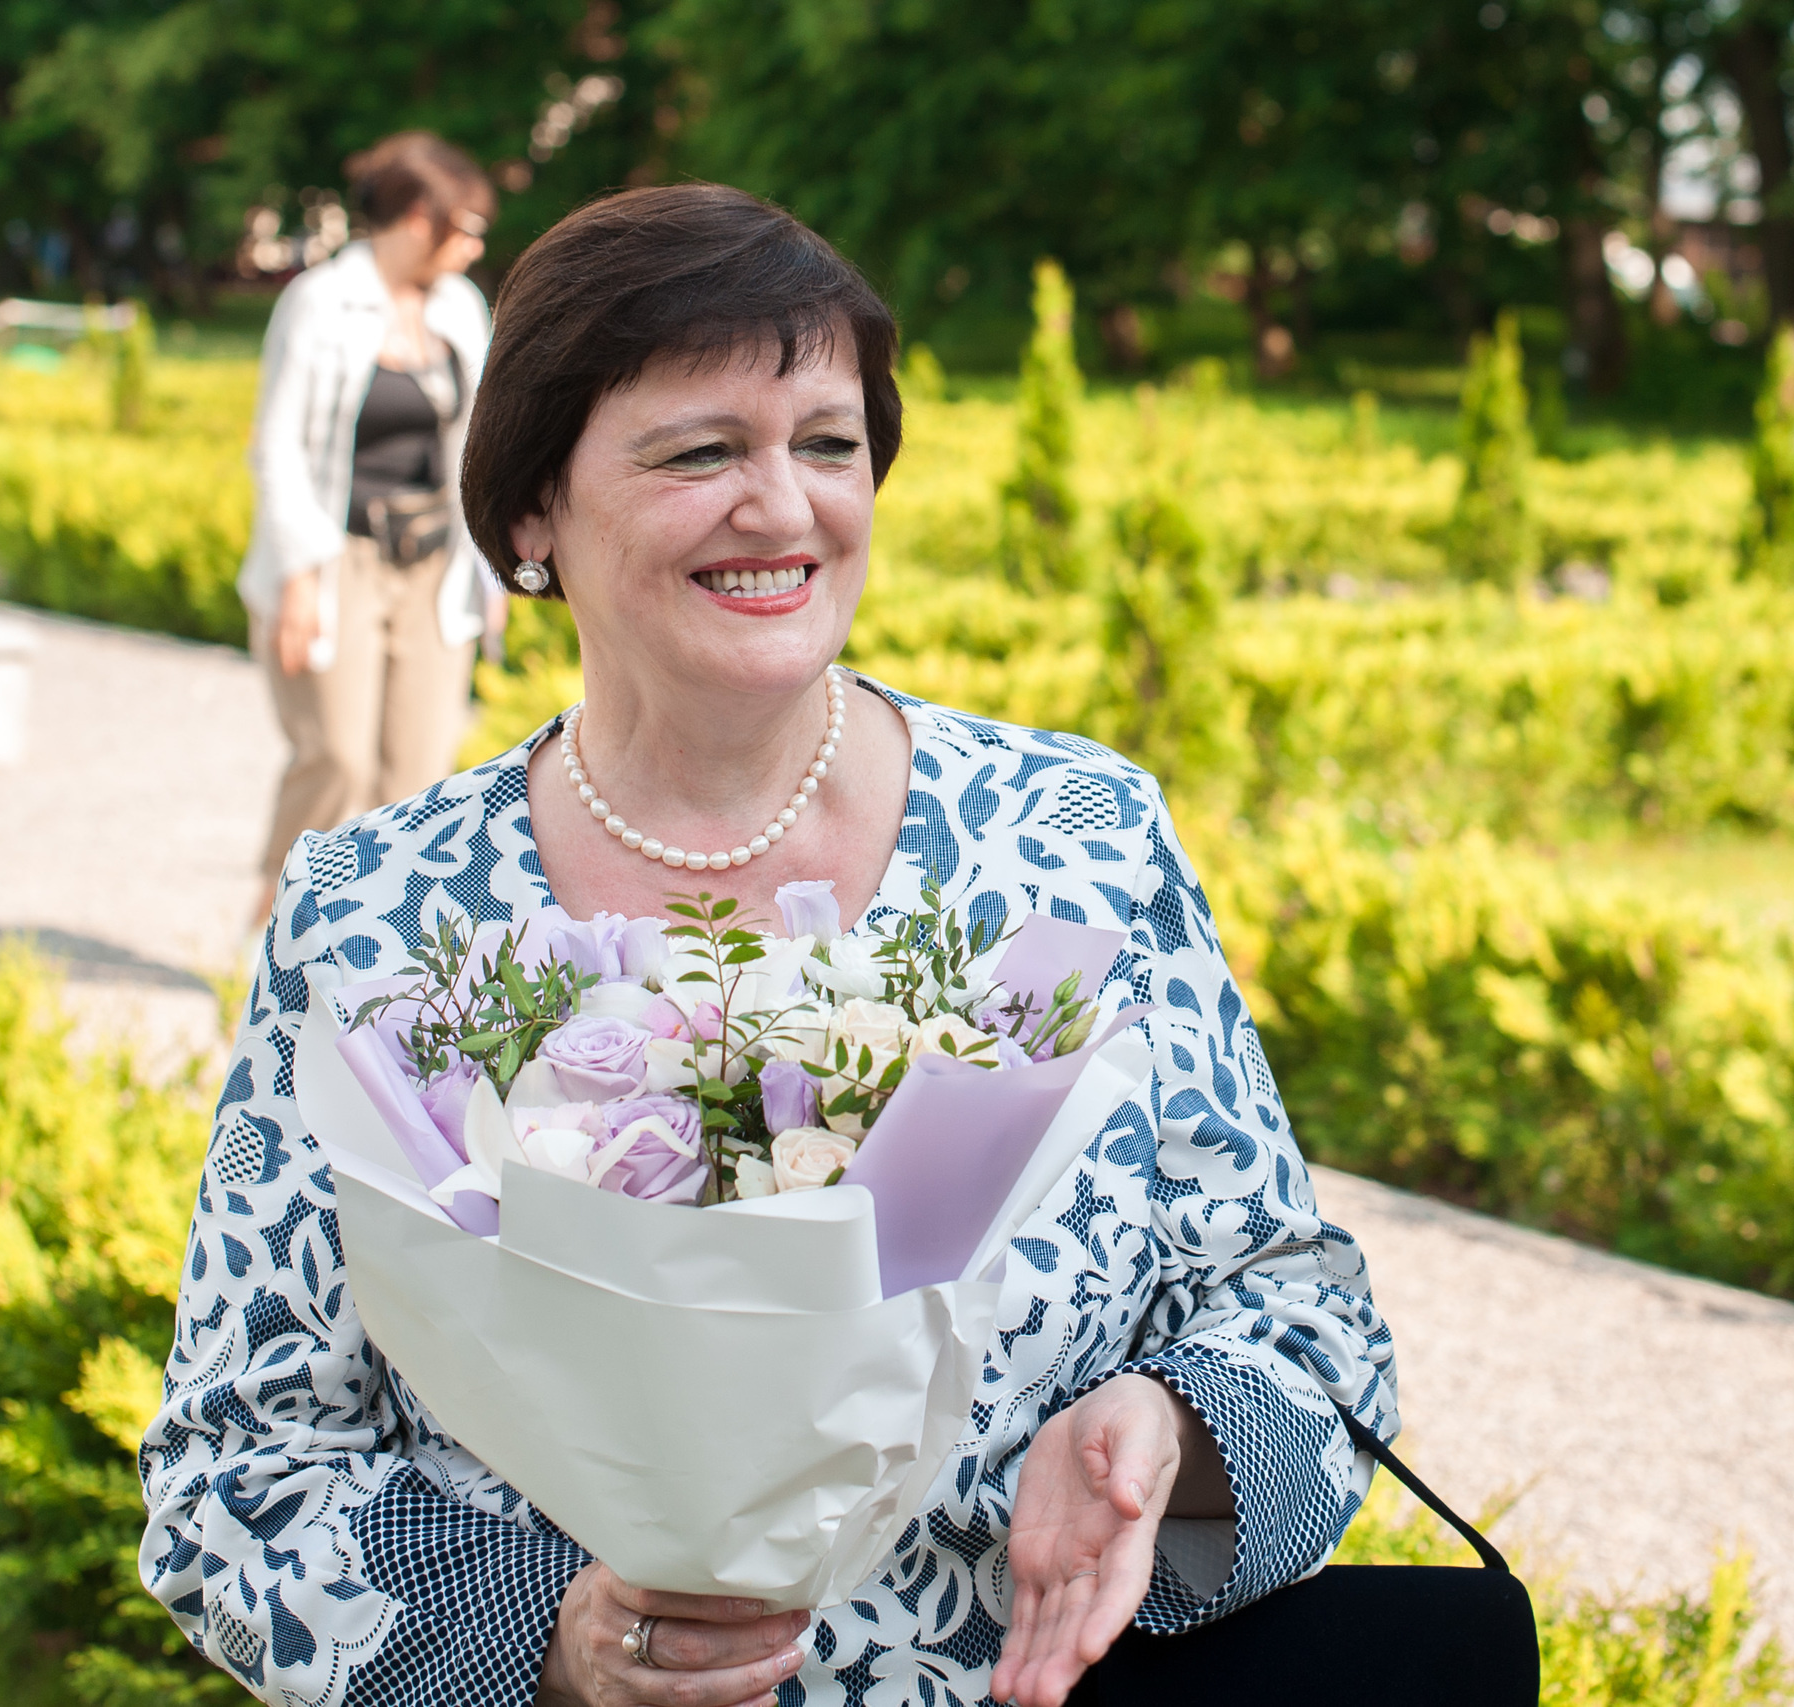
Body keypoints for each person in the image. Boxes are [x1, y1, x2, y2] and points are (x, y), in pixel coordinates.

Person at [143, 186, 1402, 1707]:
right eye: (700, 452)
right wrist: (556, 1642)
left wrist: (1173, 1443)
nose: (785, 507)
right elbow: (236, 1473)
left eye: (826, 443)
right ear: (532, 511)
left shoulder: (1076, 842)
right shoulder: (377, 912)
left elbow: (1307, 1323)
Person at [237, 131, 502, 929]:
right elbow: (277, 445)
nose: (475, 245)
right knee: (338, 759)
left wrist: (490, 568)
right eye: (467, 228)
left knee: (417, 775)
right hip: (337, 557)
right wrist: (298, 577)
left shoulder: (460, 308)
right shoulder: (320, 301)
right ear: (419, 219)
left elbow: (479, 441)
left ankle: (380, 949)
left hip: (433, 563)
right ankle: (275, 926)